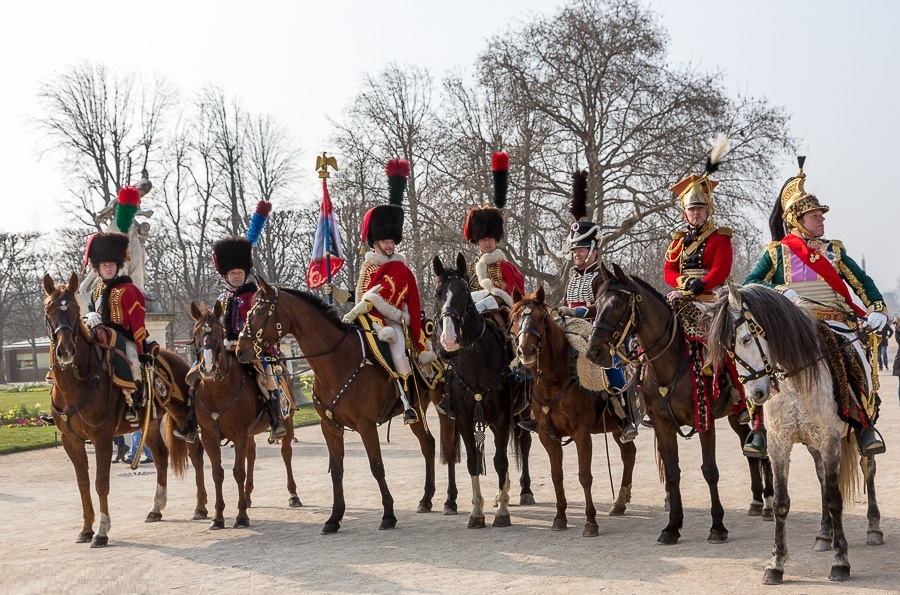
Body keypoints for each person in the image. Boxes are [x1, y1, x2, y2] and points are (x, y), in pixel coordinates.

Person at [744, 156, 887, 457]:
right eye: (815, 215)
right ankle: (758, 427)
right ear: (797, 221)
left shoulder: (833, 250)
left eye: (821, 215)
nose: (822, 219)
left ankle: (864, 424)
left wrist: (876, 308)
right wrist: (781, 289)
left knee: (852, 358)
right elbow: (751, 284)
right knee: (760, 361)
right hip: (794, 325)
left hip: (836, 322)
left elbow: (862, 281)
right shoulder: (777, 253)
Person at [180, 200, 285, 443]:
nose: (236, 276)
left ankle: (276, 419)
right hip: (224, 351)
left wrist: (240, 343)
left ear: (245, 273)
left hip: (253, 350)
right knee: (195, 379)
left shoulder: (254, 295)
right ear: (225, 275)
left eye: (239, 272)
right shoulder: (222, 297)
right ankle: (191, 423)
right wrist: (223, 344)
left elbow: (260, 326)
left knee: (266, 377)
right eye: (232, 273)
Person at [342, 158, 437, 424]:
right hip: (366, 319)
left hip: (393, 321)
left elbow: (393, 296)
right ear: (375, 241)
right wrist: (339, 294)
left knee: (398, 354)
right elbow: (361, 295)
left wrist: (370, 306)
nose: (389, 244)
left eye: (392, 240)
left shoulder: (398, 267)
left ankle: (407, 402)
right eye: (385, 240)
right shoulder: (369, 265)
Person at [545, 169, 637, 441]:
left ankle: (624, 414)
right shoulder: (572, 275)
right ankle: (535, 407)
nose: (577, 255)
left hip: (595, 329)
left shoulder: (602, 276)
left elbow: (602, 309)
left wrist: (577, 312)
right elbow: (564, 302)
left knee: (607, 365)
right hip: (570, 328)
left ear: (594, 250)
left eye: (581, 250)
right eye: (574, 251)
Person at [83, 193, 156, 423]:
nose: (107, 269)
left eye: (111, 265)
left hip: (123, 337)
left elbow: (136, 319)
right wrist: (90, 315)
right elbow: (89, 310)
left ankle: (134, 400)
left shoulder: (129, 289)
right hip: (99, 336)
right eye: (103, 265)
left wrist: (139, 342)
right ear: (99, 267)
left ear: (117, 266)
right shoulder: (96, 290)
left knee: (132, 362)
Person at [462, 152, 526, 323]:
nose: (487, 242)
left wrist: (494, 291)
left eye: (490, 238)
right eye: (483, 239)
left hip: (502, 312)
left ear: (496, 240)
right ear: (477, 241)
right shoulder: (470, 269)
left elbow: (514, 292)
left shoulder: (505, 265)